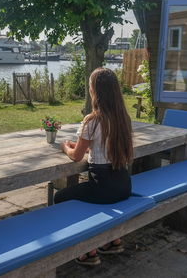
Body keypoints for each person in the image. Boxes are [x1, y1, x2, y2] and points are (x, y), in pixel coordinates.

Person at [56, 67, 133, 266]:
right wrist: (88, 147)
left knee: (60, 197)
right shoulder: (123, 118)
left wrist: (65, 146)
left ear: (95, 91)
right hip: (124, 185)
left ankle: (86, 250)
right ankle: (111, 242)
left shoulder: (92, 120)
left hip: (103, 188)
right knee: (85, 195)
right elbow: (104, 148)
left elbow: (76, 156)